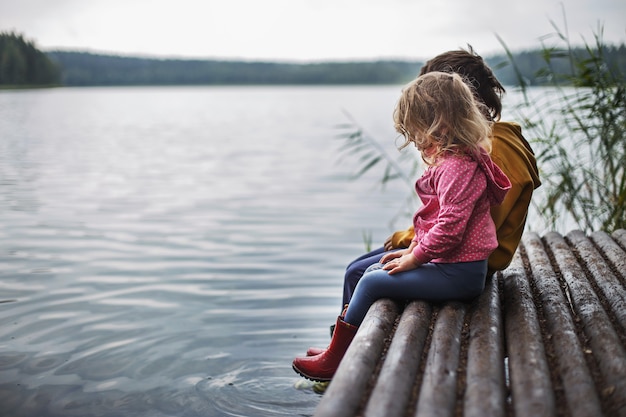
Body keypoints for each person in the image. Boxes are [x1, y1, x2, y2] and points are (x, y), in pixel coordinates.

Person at [292, 71, 512, 382]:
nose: (416, 141)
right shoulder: (457, 162)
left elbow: (450, 226)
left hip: (460, 274)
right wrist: (412, 248)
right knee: (370, 272)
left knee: (371, 282)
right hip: (452, 265)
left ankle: (336, 361)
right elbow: (436, 220)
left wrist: (414, 258)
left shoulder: (456, 169)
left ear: (441, 126)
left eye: (418, 132)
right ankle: (339, 350)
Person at [335, 47, 541, 325]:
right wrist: (413, 237)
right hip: (452, 253)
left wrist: (411, 243)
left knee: (359, 274)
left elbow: (468, 221)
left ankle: (346, 351)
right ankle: (341, 341)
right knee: (359, 269)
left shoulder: (493, 150)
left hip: (463, 259)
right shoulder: (482, 143)